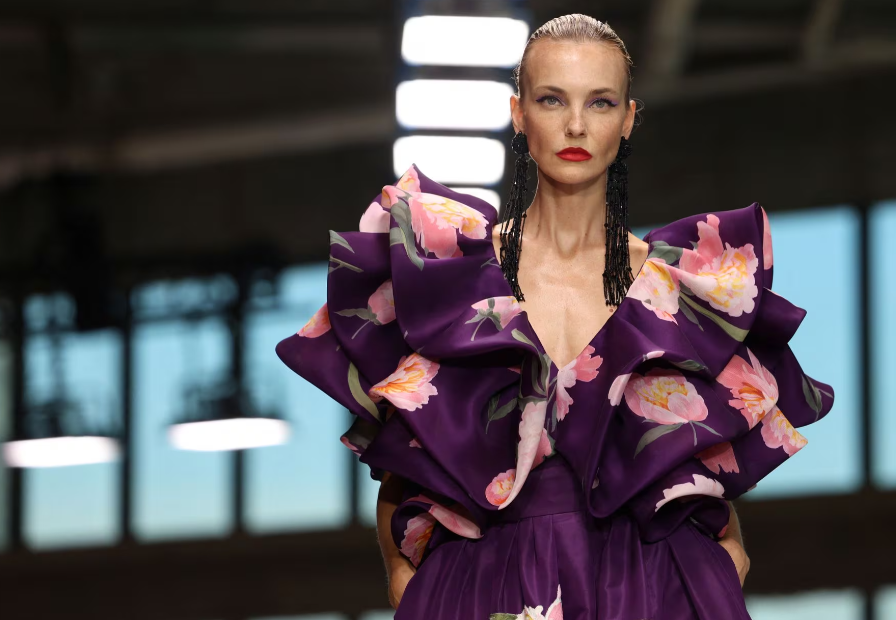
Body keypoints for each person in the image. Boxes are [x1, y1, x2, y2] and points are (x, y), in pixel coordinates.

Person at [276, 13, 835, 620]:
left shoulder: (686, 291)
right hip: (481, 582)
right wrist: (401, 575)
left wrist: (726, 556)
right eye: (551, 99)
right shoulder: (446, 276)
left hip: (656, 583)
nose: (575, 125)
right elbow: (404, 456)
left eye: (600, 102)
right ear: (518, 114)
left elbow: (705, 462)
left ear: (628, 119)